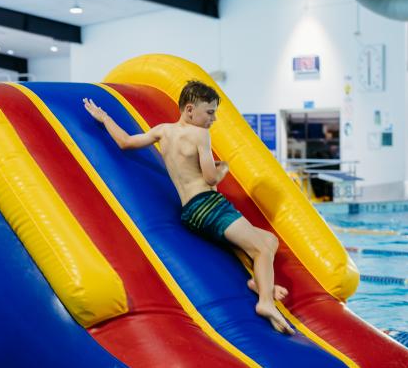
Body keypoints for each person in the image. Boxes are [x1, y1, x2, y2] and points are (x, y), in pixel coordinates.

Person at [83, 81, 294, 334]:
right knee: (261, 249)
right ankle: (265, 302)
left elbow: (126, 142)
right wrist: (223, 167)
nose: (214, 119)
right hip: (209, 205)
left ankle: (260, 284)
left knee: (269, 241)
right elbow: (210, 178)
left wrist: (104, 118)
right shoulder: (200, 135)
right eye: (210, 112)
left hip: (191, 212)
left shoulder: (163, 131)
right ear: (190, 109)